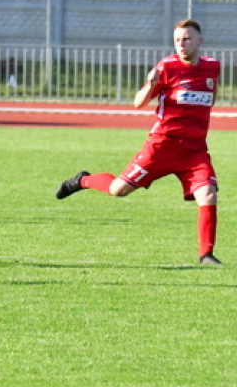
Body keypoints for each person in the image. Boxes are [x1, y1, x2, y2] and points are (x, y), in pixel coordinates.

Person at [55, 19, 222, 266]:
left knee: (208, 194)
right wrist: (152, 83)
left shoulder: (212, 66)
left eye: (186, 39)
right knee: (118, 190)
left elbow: (212, 94)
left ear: (200, 41)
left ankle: (206, 255)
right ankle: (83, 180)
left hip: (195, 150)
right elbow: (138, 102)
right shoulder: (166, 67)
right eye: (177, 40)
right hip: (162, 146)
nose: (181, 44)